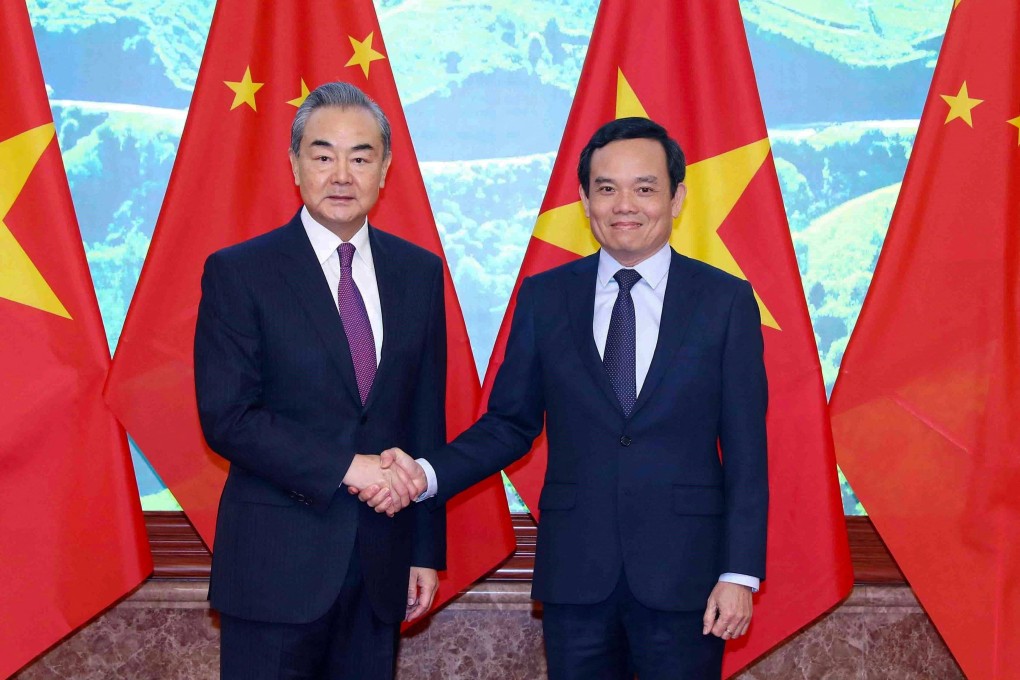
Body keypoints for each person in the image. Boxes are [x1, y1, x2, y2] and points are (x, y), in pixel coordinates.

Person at [360, 117, 768, 679]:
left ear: (676, 199)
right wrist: (425, 475)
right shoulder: (546, 297)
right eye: (606, 188)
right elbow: (508, 424)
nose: (625, 204)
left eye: (644, 188)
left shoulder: (725, 301)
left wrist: (739, 574)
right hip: (578, 575)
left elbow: (747, 451)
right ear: (584, 200)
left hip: (690, 580)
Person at [193, 81, 446, 680]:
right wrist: (347, 466)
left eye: (361, 157)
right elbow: (229, 416)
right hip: (274, 566)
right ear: (295, 165)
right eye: (322, 154)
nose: (341, 174)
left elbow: (424, 418)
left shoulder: (419, 273)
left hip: (383, 562)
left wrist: (424, 550)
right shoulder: (240, 272)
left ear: (384, 170)